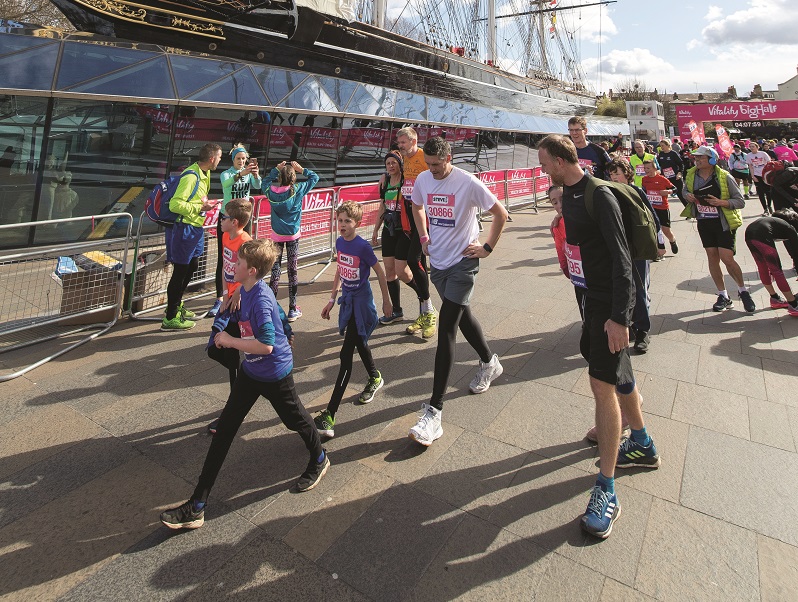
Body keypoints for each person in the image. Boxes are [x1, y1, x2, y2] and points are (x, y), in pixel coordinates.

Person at [537, 134, 660, 540]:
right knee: (619, 374)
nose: (542, 170)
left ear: (559, 161)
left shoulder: (598, 195)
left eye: (544, 163)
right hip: (593, 301)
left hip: (609, 307)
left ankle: (606, 489)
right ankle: (641, 442)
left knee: (601, 386)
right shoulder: (570, 195)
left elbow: (623, 259)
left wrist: (620, 318)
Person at [159, 239, 329, 530]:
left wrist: (229, 341)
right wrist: (226, 317)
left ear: (251, 270)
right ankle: (197, 505)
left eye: (238, 263)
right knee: (225, 431)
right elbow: (243, 313)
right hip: (251, 372)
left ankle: (320, 458)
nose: (233, 265)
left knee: (295, 419)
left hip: (275, 373)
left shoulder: (260, 299)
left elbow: (266, 345)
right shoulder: (247, 289)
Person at [407, 136, 508, 447]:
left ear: (449, 158)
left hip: (463, 263)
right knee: (463, 316)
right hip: (438, 264)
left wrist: (487, 248)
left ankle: (434, 412)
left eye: (438, 165)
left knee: (447, 327)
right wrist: (423, 236)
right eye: (429, 164)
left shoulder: (468, 182)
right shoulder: (423, 179)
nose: (433, 170)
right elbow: (416, 205)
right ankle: (489, 362)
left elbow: (500, 213)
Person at [313, 201, 393, 439]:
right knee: (359, 342)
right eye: (340, 220)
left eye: (347, 221)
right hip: (347, 303)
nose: (342, 225)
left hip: (362, 305)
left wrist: (387, 302)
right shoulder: (340, 243)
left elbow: (380, 272)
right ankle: (375, 377)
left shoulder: (362, 247)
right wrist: (331, 299)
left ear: (357, 223)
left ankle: (330, 414)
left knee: (345, 355)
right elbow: (340, 269)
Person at [682, 146, 755, 312]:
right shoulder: (691, 174)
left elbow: (740, 201)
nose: (697, 160)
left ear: (712, 160)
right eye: (696, 157)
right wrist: (688, 196)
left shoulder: (724, 176)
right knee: (712, 256)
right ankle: (723, 295)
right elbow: (685, 189)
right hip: (704, 222)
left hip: (723, 222)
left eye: (701, 157)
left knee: (727, 258)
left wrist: (722, 202)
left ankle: (743, 291)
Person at [607, 158, 666, 357]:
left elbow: (653, 218)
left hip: (637, 249)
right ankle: (628, 323)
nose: (614, 177)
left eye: (617, 173)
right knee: (621, 288)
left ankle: (642, 330)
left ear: (627, 174)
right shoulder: (607, 192)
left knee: (640, 289)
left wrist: (660, 243)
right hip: (617, 249)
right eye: (611, 174)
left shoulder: (636, 191)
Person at [205, 198, 254, 435]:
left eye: (223, 217)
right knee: (214, 349)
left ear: (234, 222)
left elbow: (254, 273)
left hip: (239, 306)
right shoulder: (225, 236)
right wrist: (225, 295)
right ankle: (245, 384)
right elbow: (226, 268)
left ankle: (232, 410)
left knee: (227, 349)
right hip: (228, 302)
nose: (220, 220)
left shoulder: (245, 242)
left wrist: (239, 294)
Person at [161, 143, 222, 332]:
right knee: (180, 271)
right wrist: (199, 207)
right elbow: (175, 205)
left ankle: (177, 304)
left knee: (193, 265)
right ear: (211, 158)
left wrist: (203, 205)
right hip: (184, 228)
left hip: (196, 226)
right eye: (219, 157)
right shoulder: (190, 176)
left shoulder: (205, 173)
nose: (220, 160)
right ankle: (170, 317)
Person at [263, 160, 320, 321]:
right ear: (293, 178)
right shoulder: (299, 189)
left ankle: (271, 308)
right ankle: (292, 309)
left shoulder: (271, 191)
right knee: (292, 271)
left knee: (275, 271)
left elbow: (264, 182)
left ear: (280, 178)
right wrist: (301, 169)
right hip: (293, 236)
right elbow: (314, 178)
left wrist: (276, 169)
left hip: (277, 235)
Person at [209, 143, 261, 317]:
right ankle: (220, 297)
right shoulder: (227, 173)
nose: (241, 161)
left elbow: (257, 185)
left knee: (244, 257)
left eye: (244, 159)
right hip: (227, 219)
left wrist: (255, 174)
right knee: (224, 258)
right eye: (238, 158)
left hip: (243, 220)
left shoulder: (247, 173)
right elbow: (226, 183)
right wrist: (241, 174)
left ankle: (242, 292)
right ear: (233, 160)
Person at [395, 127, 438, 339]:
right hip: (408, 218)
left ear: (414, 141)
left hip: (424, 218)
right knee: (405, 267)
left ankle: (428, 311)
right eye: (399, 143)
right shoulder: (405, 159)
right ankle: (425, 310)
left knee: (414, 260)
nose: (400, 146)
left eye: (403, 142)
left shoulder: (424, 157)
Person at [371, 151, 407, 324]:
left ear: (400, 164)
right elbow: (382, 207)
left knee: (402, 271)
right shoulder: (384, 182)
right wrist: (375, 230)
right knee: (390, 271)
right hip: (388, 229)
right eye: (388, 163)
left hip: (404, 230)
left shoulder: (406, 180)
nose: (391, 166)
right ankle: (396, 311)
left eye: (394, 162)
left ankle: (425, 299)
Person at [744, 209, 798, 316]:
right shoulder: (790, 228)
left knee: (762, 267)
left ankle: (774, 298)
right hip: (762, 235)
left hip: (749, 234)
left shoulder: (774, 222)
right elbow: (796, 253)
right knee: (777, 270)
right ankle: (794, 305)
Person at [641, 160, 678, 255]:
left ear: (654, 168)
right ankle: (660, 249)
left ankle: (672, 240)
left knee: (666, 230)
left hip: (663, 208)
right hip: (651, 208)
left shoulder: (662, 179)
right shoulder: (644, 179)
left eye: (648, 168)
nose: (646, 170)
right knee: (654, 229)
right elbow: (644, 192)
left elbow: (675, 189)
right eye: (645, 168)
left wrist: (668, 192)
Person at [745, 142, 773, 215]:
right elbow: (750, 166)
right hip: (756, 175)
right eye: (750, 147)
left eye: (753, 146)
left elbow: (769, 162)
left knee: (768, 192)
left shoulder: (763, 154)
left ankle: (769, 205)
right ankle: (765, 209)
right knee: (760, 193)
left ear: (757, 147)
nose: (751, 148)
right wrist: (753, 176)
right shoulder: (749, 155)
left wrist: (769, 173)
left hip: (765, 174)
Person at [656, 139, 686, 206]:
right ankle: (664, 210)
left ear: (668, 145)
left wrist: (680, 173)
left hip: (675, 178)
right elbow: (658, 165)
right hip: (665, 178)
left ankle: (689, 210)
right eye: (661, 146)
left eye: (663, 145)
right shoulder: (661, 154)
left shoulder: (673, 153)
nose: (661, 147)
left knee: (681, 195)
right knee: (662, 196)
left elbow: (681, 164)